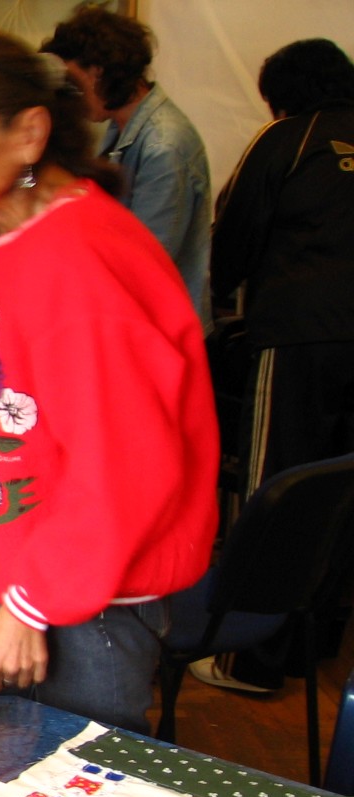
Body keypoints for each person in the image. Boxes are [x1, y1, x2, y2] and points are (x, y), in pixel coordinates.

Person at [0, 31, 219, 731]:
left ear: (28, 134)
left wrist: (31, 602)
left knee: (66, 782)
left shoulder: (85, 261)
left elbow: (130, 464)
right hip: (20, 575)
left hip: (86, 599)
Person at [194, 38, 354, 695]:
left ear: (283, 96)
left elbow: (234, 234)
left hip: (296, 337)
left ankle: (250, 663)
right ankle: (311, 648)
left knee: (275, 492)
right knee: (339, 493)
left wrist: (223, 309)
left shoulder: (288, 138)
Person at [43, 4, 212, 330]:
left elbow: (148, 259)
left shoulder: (164, 144)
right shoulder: (120, 129)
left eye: (74, 83)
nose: (72, 97)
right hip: (134, 318)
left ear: (98, 72)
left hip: (161, 328)